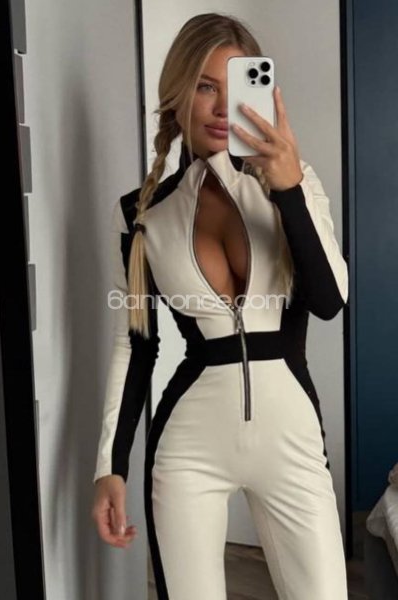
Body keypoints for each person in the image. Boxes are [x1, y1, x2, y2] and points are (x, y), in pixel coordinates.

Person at [91, 12, 349, 600]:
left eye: (236, 88)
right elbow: (136, 345)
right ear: (178, 91)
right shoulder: (141, 214)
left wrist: (287, 187)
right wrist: (111, 465)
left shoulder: (293, 181)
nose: (220, 107)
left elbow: (329, 300)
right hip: (188, 448)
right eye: (205, 86)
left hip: (291, 441)